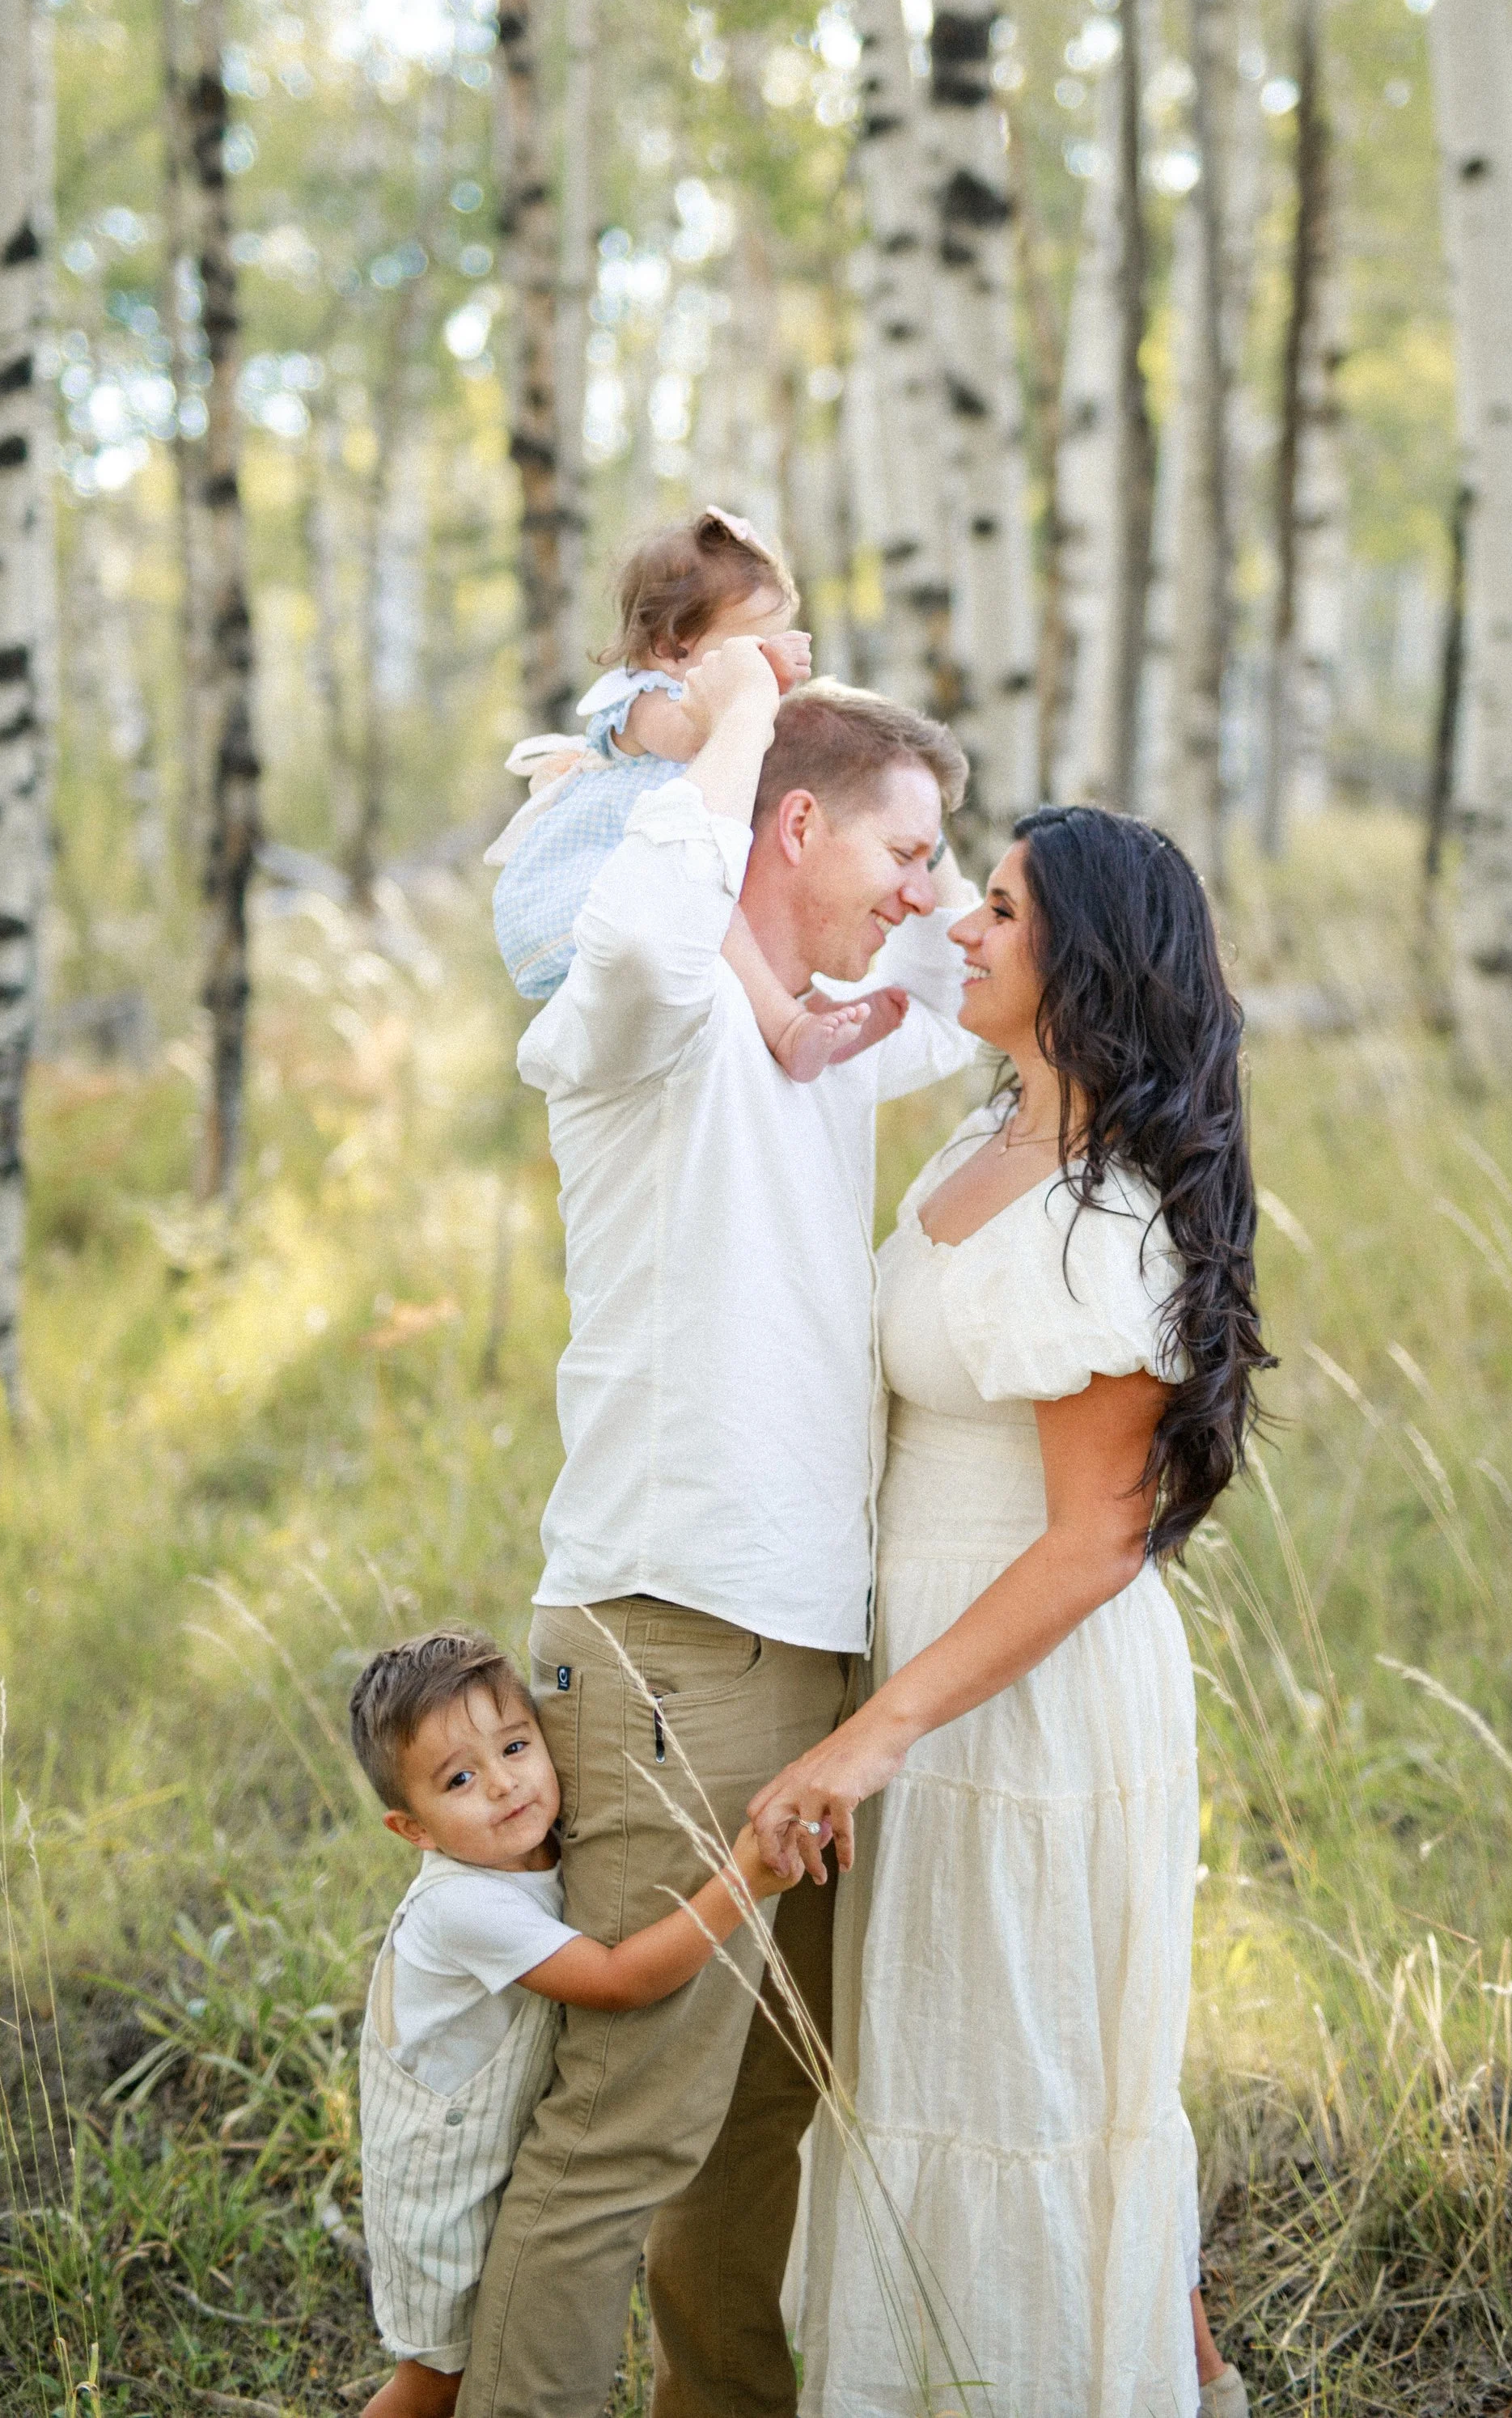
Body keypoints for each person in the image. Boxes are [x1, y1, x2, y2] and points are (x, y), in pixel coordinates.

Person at [456, 649, 978, 2418]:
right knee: (629, 2124)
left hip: (810, 1641)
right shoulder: (652, 1012)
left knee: (763, 2111)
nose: (924, 897)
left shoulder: (826, 1036)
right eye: (898, 852)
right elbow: (629, 925)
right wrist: (727, 711)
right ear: (790, 822)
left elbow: (984, 953)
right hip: (670, 1627)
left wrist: (871, 813)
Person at [748, 804, 1272, 2418]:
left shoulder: (1096, 1214)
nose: (959, 931)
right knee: (919, 2076)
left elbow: (1092, 1542)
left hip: (1020, 1701)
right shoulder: (978, 1143)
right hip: (923, 1672)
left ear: (1086, 961)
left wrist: (869, 1739)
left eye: (995, 909)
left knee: (1019, 2091)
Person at [346, 1628, 802, 2418]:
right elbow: (621, 1982)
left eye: (515, 1747)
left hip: (494, 2156)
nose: (502, 1785)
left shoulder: (542, 1848)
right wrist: (744, 1879)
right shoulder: (464, 1906)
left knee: (487, 2341)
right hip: (439, 2188)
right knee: (438, 2380)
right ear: (412, 1830)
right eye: (459, 1778)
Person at [487, 506, 886, 1082]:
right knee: (716, 912)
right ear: (674, 646)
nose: (763, 660)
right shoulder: (642, 700)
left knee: (746, 900)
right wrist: (758, 684)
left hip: (665, 868)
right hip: (595, 883)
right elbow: (687, 736)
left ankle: (798, 1004)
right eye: (752, 644)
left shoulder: (700, 692)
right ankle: (789, 1026)